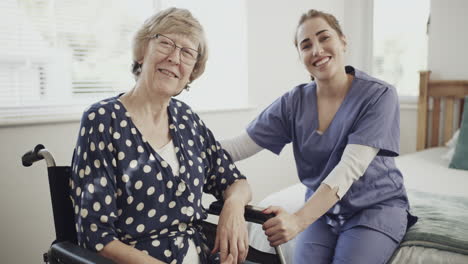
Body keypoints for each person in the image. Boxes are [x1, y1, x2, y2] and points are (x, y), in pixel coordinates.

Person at [221, 9, 417, 264]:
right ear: (300, 56)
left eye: (324, 38)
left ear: (343, 41)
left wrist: (297, 220)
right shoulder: (293, 102)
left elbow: (349, 168)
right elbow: (237, 147)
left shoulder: (379, 95)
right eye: (306, 45)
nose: (317, 49)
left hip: (375, 209)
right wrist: (180, 145)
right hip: (322, 213)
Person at [70, 8, 251, 264]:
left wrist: (233, 207)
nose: (175, 58)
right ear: (143, 50)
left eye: (187, 53)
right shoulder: (103, 120)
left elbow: (235, 181)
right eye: (166, 43)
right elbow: (96, 236)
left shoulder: (188, 120)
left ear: (192, 71)